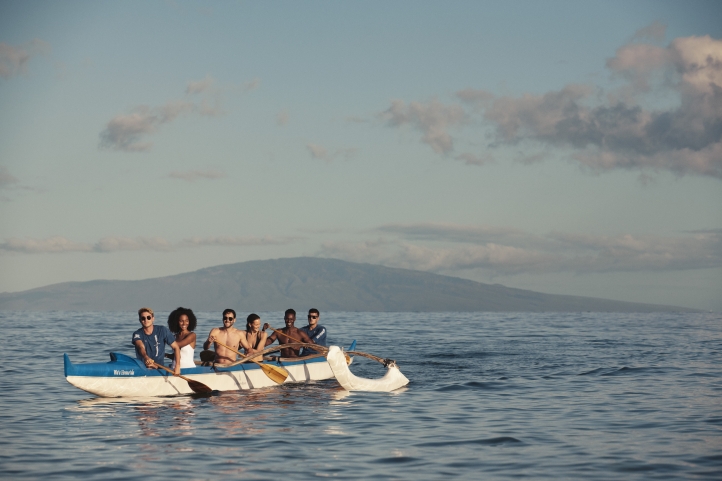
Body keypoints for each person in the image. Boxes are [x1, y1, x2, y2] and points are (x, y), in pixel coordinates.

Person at [132, 307, 181, 375]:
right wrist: (146, 357)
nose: (146, 320)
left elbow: (176, 347)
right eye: (143, 318)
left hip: (159, 368)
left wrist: (177, 366)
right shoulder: (137, 334)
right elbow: (140, 346)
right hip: (143, 368)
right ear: (140, 320)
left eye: (148, 317)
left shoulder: (162, 330)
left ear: (153, 319)